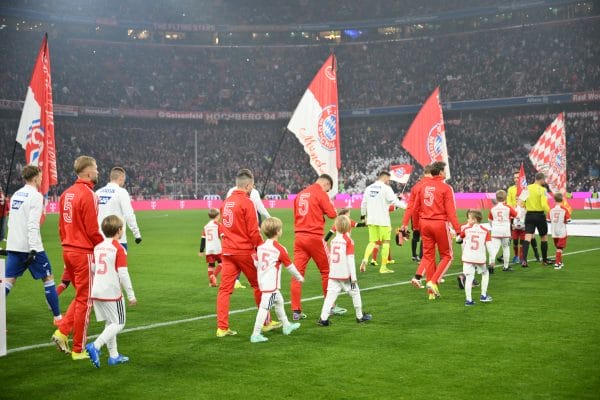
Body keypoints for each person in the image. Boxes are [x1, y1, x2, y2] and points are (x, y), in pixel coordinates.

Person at [52, 156, 104, 360]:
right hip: (83, 252)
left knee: (81, 295)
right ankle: (78, 349)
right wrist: (105, 247)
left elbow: (60, 226)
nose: (98, 172)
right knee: (86, 299)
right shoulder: (89, 195)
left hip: (68, 250)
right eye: (96, 168)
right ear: (88, 171)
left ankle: (62, 332)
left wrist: (67, 243)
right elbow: (92, 229)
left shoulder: (66, 194)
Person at [216, 169, 278, 337]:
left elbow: (221, 226)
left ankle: (222, 328)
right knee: (259, 285)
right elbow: (253, 231)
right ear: (248, 185)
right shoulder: (247, 202)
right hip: (244, 251)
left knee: (224, 290)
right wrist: (262, 248)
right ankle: (266, 322)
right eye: (253, 185)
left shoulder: (226, 202)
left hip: (228, 251)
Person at [4, 165, 62, 324]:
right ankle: (58, 318)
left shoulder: (16, 194)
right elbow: (32, 225)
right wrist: (34, 249)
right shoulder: (36, 196)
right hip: (30, 247)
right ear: (36, 177)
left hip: (14, 245)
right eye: (41, 176)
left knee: (8, 281)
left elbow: (12, 221)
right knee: (48, 278)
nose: (42, 179)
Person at [85, 215, 137, 368]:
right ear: (119, 231)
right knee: (119, 323)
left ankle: (113, 356)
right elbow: (123, 273)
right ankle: (95, 345)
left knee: (110, 322)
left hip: (97, 290)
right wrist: (131, 295)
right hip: (111, 292)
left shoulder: (98, 247)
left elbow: (93, 268)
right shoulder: (118, 248)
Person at [405, 161, 461, 300]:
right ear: (441, 172)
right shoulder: (446, 188)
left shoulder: (423, 186)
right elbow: (451, 212)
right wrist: (458, 230)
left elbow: (415, 208)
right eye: (445, 170)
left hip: (425, 224)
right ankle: (433, 281)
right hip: (439, 223)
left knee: (428, 257)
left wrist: (416, 226)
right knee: (447, 256)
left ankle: (431, 294)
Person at [290, 174, 338, 321]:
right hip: (315, 237)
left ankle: (296, 311)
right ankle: (330, 307)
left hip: (299, 238)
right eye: (329, 189)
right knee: (326, 272)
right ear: (326, 184)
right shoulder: (320, 193)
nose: (328, 192)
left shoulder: (300, 194)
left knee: (297, 274)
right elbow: (332, 214)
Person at [250, 217, 304, 343]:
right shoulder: (279, 249)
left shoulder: (261, 247)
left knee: (279, 301)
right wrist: (299, 277)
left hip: (263, 281)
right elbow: (290, 266)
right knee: (264, 308)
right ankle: (255, 334)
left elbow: (256, 264)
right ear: (278, 231)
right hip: (270, 284)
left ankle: (286, 325)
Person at [317, 215, 372, 326]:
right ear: (348, 227)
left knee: (330, 296)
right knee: (355, 293)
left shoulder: (333, 241)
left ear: (336, 227)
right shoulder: (348, 241)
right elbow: (350, 260)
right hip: (345, 275)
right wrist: (354, 278)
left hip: (333, 274)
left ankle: (323, 319)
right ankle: (360, 317)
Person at [226, 168, 270, 289]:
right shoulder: (253, 193)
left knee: (234, 256)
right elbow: (259, 208)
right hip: (246, 223)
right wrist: (269, 218)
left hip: (230, 230)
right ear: (249, 183)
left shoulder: (231, 191)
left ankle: (236, 279)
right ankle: (260, 276)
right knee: (253, 252)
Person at [359, 171, 404, 274]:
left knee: (372, 242)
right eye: (389, 179)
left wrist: (363, 217)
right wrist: (408, 207)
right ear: (385, 178)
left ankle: (365, 259)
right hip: (383, 221)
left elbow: (363, 204)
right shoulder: (386, 188)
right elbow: (395, 202)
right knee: (386, 242)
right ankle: (383, 267)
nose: (389, 181)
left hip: (371, 220)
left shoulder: (369, 188)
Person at [401, 165, 432, 288]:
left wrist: (405, 223)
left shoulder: (415, 187)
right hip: (428, 217)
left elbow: (410, 206)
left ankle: (415, 255)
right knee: (427, 243)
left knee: (417, 237)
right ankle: (423, 268)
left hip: (416, 218)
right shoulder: (430, 186)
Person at [96, 167, 142, 250]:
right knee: (119, 263)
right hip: (117, 239)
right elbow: (129, 214)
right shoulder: (121, 192)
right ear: (121, 178)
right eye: (124, 179)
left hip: (99, 239)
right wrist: (137, 234)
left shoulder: (98, 192)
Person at [457, 210, 493, 306]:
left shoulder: (466, 230)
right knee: (485, 273)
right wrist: (492, 260)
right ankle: (483, 295)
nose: (468, 220)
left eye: (469, 218)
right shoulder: (485, 231)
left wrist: (460, 239)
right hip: (479, 258)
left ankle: (469, 300)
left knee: (469, 278)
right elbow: (490, 247)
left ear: (474, 219)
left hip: (468, 257)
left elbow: (458, 239)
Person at [506, 171, 540, 263]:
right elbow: (509, 203)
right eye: (515, 178)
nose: (516, 179)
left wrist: (524, 208)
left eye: (518, 177)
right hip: (515, 216)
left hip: (526, 215)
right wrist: (515, 210)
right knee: (514, 237)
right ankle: (516, 256)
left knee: (531, 236)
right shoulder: (510, 189)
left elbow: (530, 201)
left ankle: (536, 253)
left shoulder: (527, 190)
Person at [521, 172, 552, 268]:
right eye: (544, 180)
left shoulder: (527, 188)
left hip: (529, 215)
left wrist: (527, 207)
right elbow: (543, 204)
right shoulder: (543, 190)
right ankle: (545, 260)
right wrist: (550, 212)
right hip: (540, 215)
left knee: (527, 238)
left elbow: (521, 202)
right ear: (541, 179)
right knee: (544, 237)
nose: (545, 182)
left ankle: (524, 261)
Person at [488, 190, 517, 272]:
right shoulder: (508, 207)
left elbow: (489, 220)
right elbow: (516, 215)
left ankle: (491, 264)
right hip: (505, 230)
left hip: (495, 230)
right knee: (506, 248)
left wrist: (493, 226)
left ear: (496, 199)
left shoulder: (493, 208)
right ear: (505, 198)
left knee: (494, 249)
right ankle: (506, 266)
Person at [198, 208, 223, 287]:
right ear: (218, 216)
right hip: (217, 248)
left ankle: (212, 283)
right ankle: (213, 276)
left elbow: (203, 239)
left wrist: (201, 250)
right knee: (222, 262)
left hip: (209, 249)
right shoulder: (218, 225)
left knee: (211, 265)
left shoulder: (206, 226)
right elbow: (222, 236)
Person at [548, 192, 571, 270]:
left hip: (554, 231)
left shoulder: (551, 210)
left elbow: (548, 220)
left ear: (554, 200)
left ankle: (560, 262)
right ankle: (557, 264)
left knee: (558, 247)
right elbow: (568, 220)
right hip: (561, 231)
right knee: (560, 248)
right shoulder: (564, 209)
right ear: (562, 199)